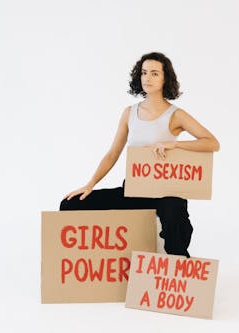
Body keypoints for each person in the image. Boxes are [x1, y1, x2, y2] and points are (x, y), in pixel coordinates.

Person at [59, 52, 220, 258]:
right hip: (135, 189)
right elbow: (112, 154)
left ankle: (179, 265)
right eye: (144, 73)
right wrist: (90, 185)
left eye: (154, 73)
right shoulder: (129, 112)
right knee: (70, 204)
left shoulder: (176, 115)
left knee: (174, 214)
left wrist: (173, 145)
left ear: (165, 79)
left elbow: (212, 143)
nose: (147, 78)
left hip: (166, 193)